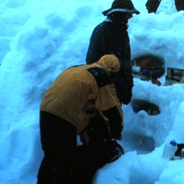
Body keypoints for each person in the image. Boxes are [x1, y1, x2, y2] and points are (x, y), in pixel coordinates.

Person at [37, 54, 124, 184]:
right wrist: (117, 130)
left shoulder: (78, 68)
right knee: (65, 160)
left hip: (46, 109)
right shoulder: (102, 76)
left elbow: (79, 101)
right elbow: (111, 108)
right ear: (112, 70)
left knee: (52, 155)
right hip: (64, 114)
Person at [86, 0, 140, 139]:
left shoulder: (119, 30)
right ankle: (104, 149)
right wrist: (113, 85)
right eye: (128, 14)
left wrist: (127, 85)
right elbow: (93, 63)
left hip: (115, 87)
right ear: (119, 14)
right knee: (105, 124)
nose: (129, 17)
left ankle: (108, 145)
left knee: (112, 122)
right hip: (105, 88)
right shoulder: (105, 31)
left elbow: (124, 61)